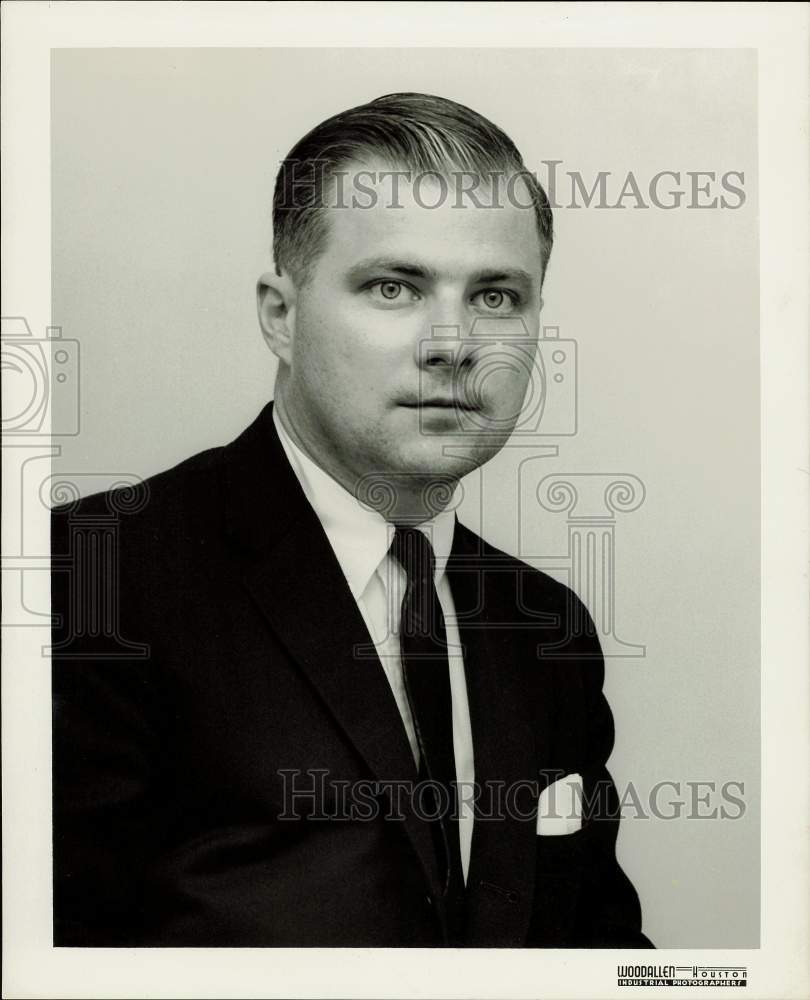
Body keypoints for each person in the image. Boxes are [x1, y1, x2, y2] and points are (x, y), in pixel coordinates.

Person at [51, 92, 652, 948]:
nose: (453, 342)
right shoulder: (92, 578)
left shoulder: (547, 627)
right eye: (394, 286)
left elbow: (601, 956)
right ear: (280, 315)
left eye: (496, 296)